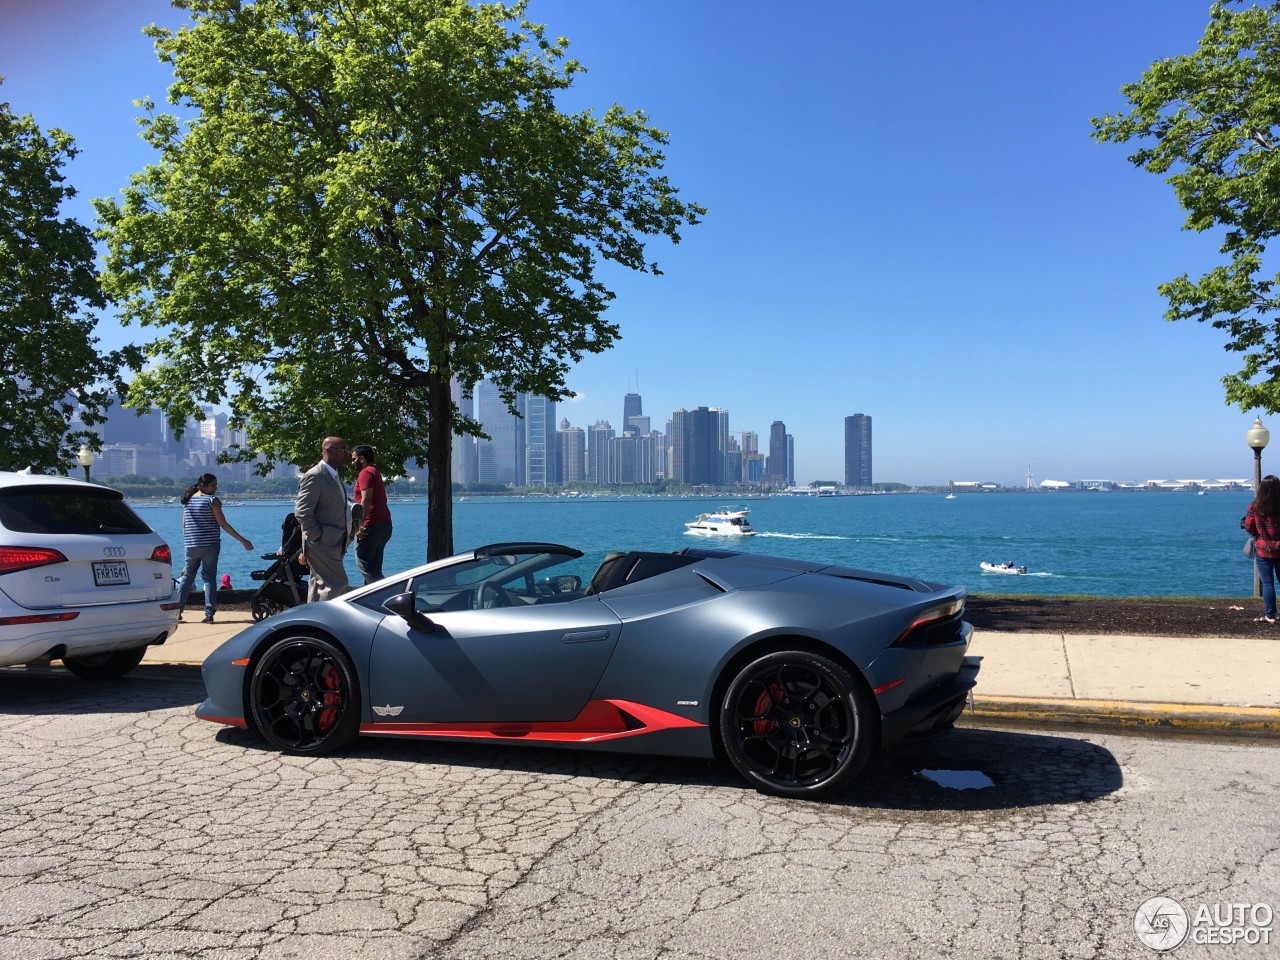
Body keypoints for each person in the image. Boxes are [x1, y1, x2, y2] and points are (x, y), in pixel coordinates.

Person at [176, 473, 253, 623]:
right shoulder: (212, 501)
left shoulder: (188, 501)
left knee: (187, 577)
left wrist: (189, 541)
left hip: (191, 545)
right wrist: (243, 541)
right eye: (212, 485)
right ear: (202, 485)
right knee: (209, 578)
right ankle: (209, 613)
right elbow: (223, 524)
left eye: (216, 485)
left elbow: (185, 525)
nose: (215, 488)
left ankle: (176, 611)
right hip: (210, 544)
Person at [295, 436, 352, 602]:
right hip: (323, 542)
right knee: (337, 584)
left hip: (333, 541)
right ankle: (328, 623)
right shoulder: (316, 475)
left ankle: (311, 622)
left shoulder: (332, 475)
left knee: (319, 583)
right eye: (343, 450)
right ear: (328, 450)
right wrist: (317, 536)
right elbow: (302, 511)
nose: (346, 454)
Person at [351, 444, 393, 584]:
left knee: (364, 564)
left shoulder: (366, 473)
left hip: (370, 526)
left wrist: (358, 525)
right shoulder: (375, 471)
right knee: (374, 566)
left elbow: (366, 499)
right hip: (384, 525)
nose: (352, 463)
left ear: (361, 459)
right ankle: (371, 600)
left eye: (354, 459)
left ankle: (387, 592)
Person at [1244, 473, 1280, 624]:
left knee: (1268, 583)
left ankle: (1270, 615)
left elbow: (1249, 527)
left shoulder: (1254, 506)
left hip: (1263, 549)